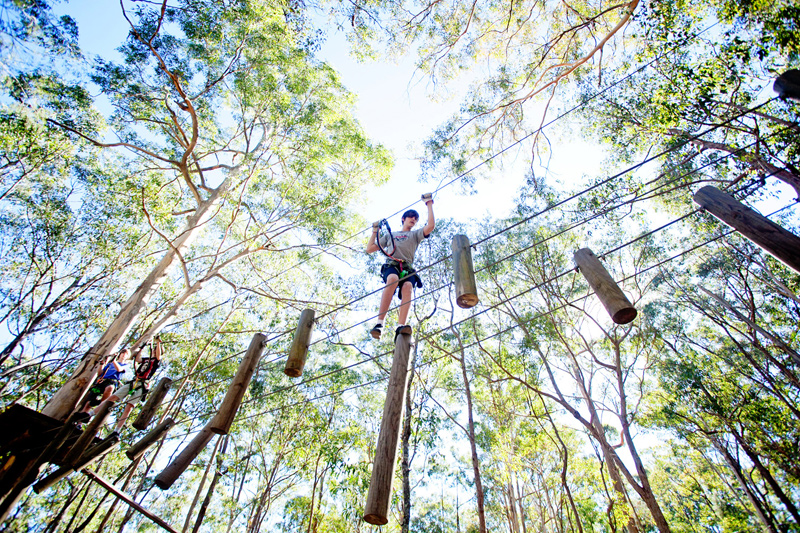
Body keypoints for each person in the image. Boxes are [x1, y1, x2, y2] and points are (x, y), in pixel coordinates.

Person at [366, 194, 435, 340]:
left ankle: (400, 326)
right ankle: (379, 323)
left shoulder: (415, 234)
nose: (413, 219)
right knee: (392, 278)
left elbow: (430, 226)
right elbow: (370, 248)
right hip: (392, 265)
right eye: (410, 217)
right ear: (403, 218)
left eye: (416, 218)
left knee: (408, 288)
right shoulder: (392, 235)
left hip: (407, 268)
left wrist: (429, 203)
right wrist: (375, 231)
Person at [77, 348, 131, 417]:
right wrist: (101, 364)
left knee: (110, 388)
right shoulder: (110, 364)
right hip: (102, 380)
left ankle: (102, 403)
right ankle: (80, 420)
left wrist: (114, 360)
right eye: (123, 353)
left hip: (112, 381)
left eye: (126, 354)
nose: (124, 355)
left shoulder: (125, 366)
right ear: (120, 354)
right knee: (89, 403)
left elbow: (119, 369)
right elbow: (100, 373)